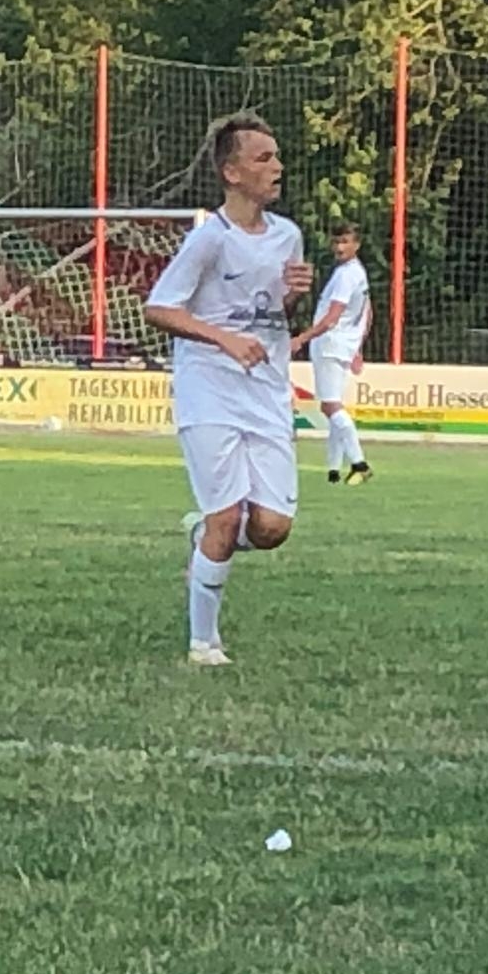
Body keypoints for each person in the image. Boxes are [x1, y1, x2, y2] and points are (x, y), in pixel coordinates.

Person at [143, 113, 313, 667]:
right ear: (232, 173)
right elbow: (159, 308)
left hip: (265, 391)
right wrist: (223, 340)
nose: (277, 166)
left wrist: (291, 297)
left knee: (271, 527)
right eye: (264, 158)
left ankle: (204, 540)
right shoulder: (209, 239)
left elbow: (268, 315)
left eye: (276, 156)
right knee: (226, 517)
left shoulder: (288, 235)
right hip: (209, 388)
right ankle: (203, 643)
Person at [291, 222, 373, 484]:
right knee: (334, 404)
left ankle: (359, 463)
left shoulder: (346, 275)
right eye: (336, 242)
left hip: (330, 344)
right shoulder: (357, 272)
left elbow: (331, 318)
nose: (339, 247)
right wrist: (357, 346)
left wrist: (302, 338)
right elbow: (367, 311)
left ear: (356, 244)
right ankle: (334, 469)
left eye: (345, 242)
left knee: (329, 407)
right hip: (343, 345)